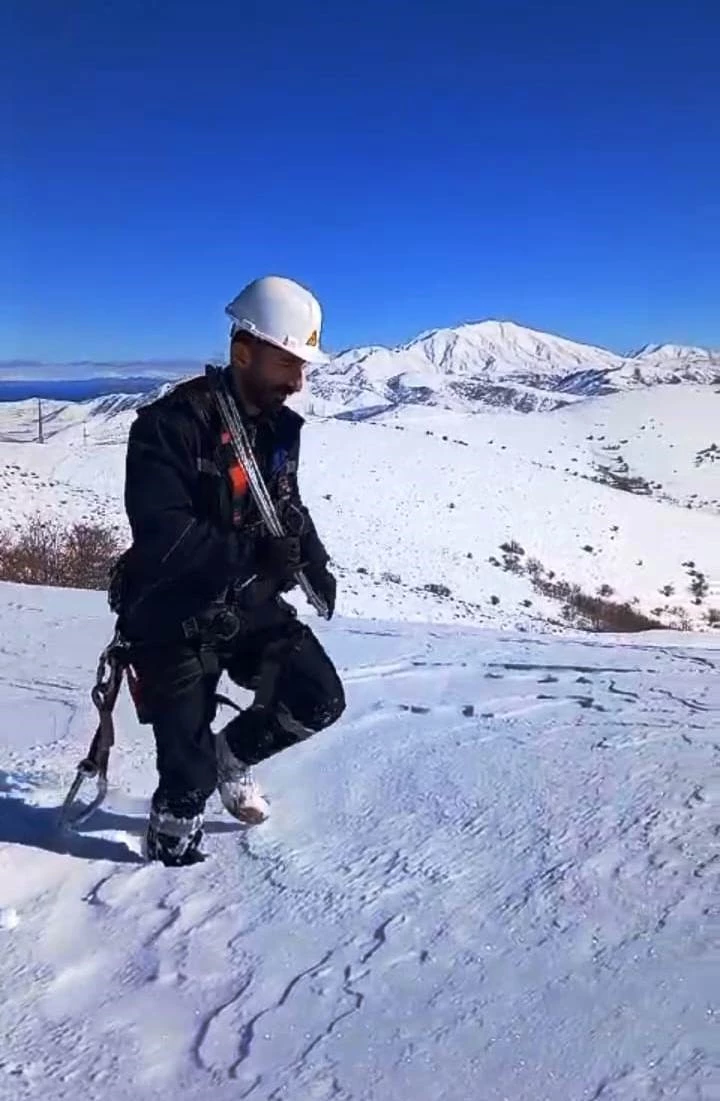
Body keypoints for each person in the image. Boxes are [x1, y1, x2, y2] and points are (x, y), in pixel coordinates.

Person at [113, 275, 345, 867]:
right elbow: (164, 537)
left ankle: (231, 758)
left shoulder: (276, 429)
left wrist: (311, 558)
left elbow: (285, 502)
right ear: (243, 351)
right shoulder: (167, 428)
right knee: (184, 777)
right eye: (287, 363)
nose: (298, 381)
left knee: (318, 697)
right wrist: (251, 557)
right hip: (173, 615)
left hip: (248, 603)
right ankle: (169, 849)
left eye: (303, 367)